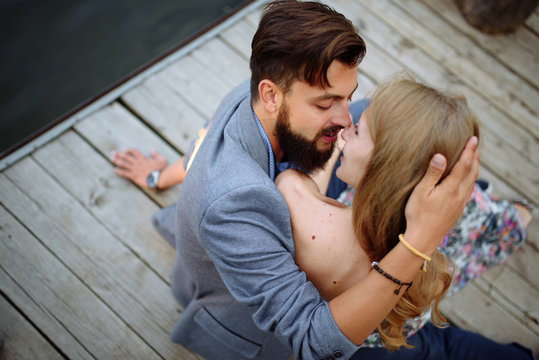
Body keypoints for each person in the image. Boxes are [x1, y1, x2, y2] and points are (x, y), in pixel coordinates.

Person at [114, 1, 479, 359]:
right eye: (325, 104)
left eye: (347, 98)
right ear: (270, 95)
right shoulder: (233, 206)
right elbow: (313, 340)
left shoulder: (255, 95)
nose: (344, 122)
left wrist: (160, 175)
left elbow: (205, 143)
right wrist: (419, 241)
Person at [276, 73, 533, 359]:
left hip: (364, 343)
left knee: (435, 349)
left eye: (357, 131)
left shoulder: (300, 200)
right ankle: (512, 215)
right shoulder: (433, 264)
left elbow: (303, 186)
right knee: (435, 343)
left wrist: (336, 144)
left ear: (385, 165)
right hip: (401, 313)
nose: (345, 131)